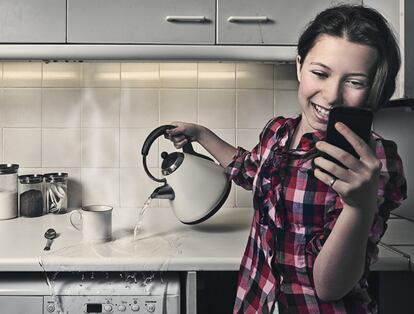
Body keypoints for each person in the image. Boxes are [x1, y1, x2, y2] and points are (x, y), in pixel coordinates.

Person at [166, 4, 407, 313]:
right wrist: (201, 134)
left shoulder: (373, 163)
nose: (332, 95)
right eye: (320, 73)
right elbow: (249, 170)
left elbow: (330, 286)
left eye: (355, 82)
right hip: (256, 303)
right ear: (299, 66)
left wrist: (358, 207)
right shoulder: (279, 132)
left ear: (372, 87)